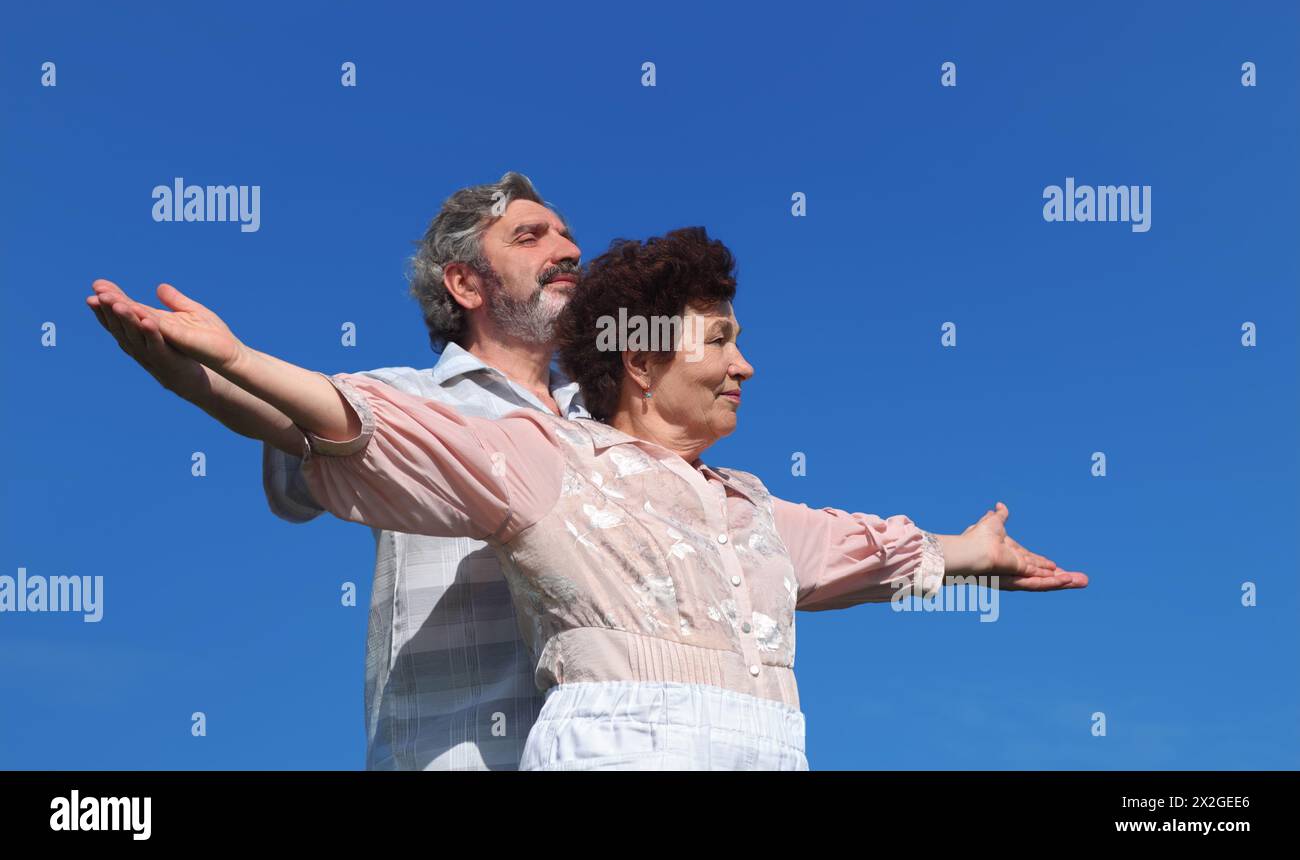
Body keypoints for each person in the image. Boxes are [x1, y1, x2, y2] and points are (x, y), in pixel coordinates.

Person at [90, 227, 1086, 770]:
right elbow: (381, 425)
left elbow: (873, 549)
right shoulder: (549, 460)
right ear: (642, 364)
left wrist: (972, 548)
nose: (747, 363)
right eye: (720, 340)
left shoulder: (751, 508)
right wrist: (228, 360)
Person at [87, 172, 592, 770]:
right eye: (530, 237)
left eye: (565, 236)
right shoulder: (404, 398)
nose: (569, 252)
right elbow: (302, 416)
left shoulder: (613, 426)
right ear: (464, 283)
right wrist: (202, 379)